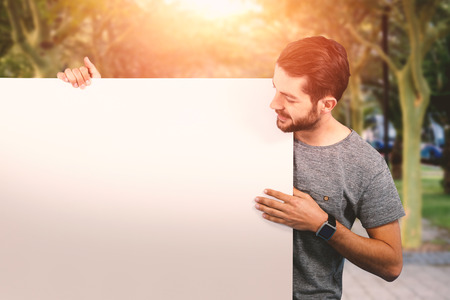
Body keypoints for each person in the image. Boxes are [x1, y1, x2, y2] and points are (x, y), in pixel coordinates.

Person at [58, 36, 405, 299]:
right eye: (274, 88)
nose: (273, 104)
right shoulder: (243, 124)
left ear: (326, 104)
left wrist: (322, 225)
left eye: (289, 98)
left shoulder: (364, 164)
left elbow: (391, 265)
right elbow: (150, 145)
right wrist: (94, 98)